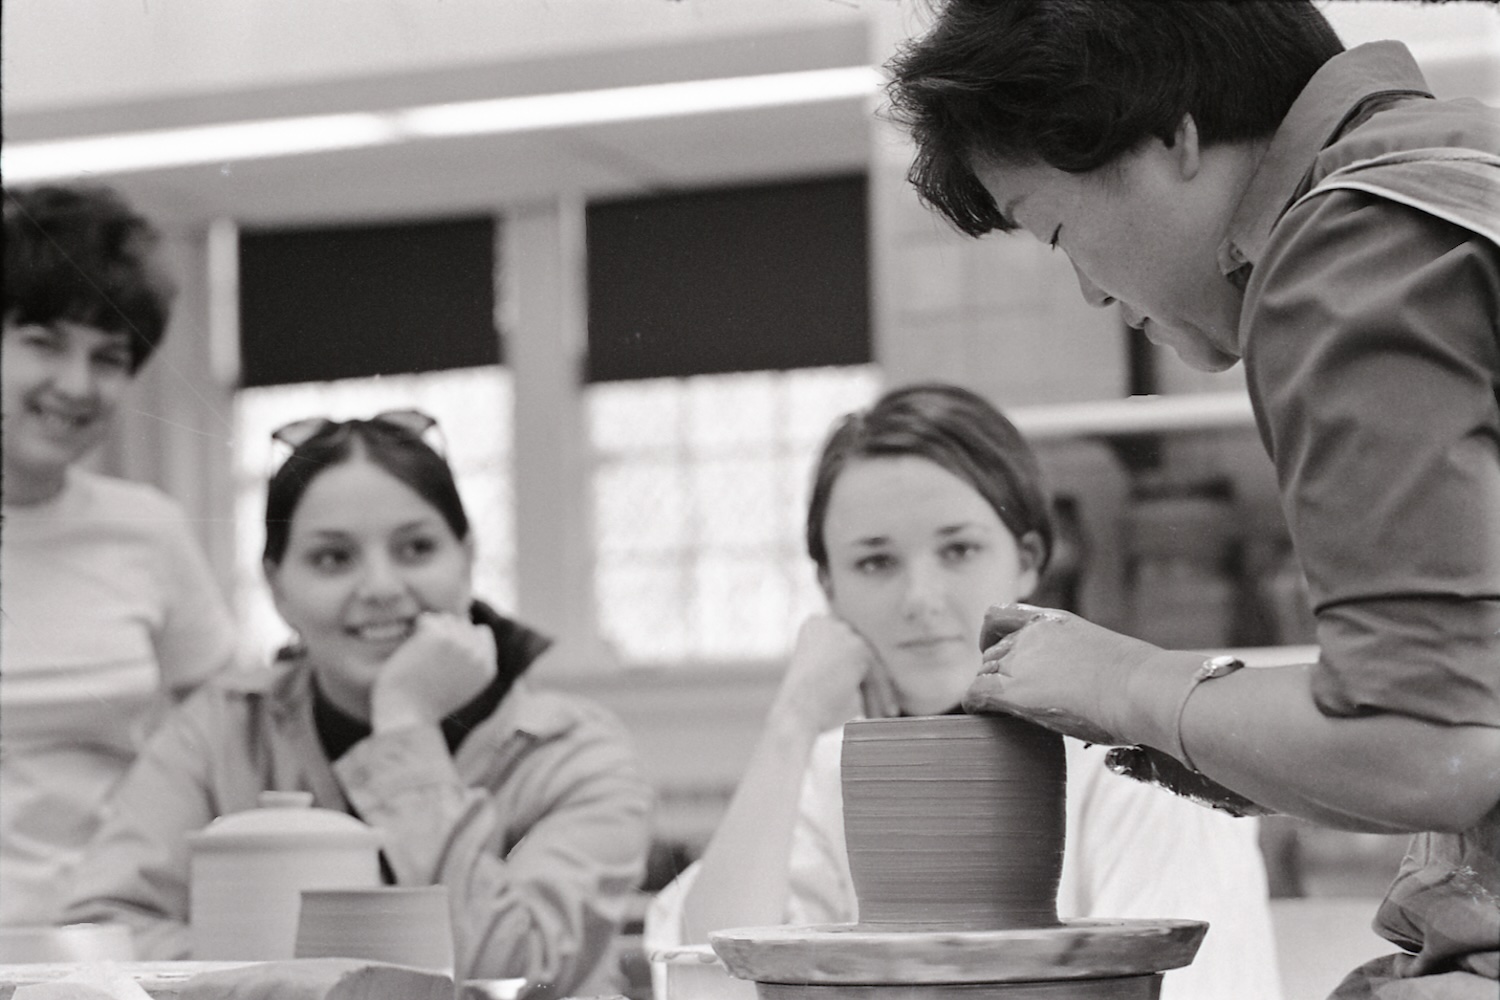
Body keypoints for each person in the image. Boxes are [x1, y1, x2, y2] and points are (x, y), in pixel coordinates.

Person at [886, 2, 1500, 995]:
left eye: (1057, 229)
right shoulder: (1455, 172)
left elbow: (1435, 752)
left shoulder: (1353, 245)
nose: (1088, 289)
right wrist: (1172, 735)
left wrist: (1123, 681)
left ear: (1174, 134)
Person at [645, 384, 1283, 1000]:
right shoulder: (825, 773)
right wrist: (791, 722)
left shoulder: (1140, 764)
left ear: (1028, 558)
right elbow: (708, 978)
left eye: (959, 550)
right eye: (875, 563)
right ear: (828, 587)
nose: (921, 601)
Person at [63, 411, 653, 995]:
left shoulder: (576, 755)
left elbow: (514, 969)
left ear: (467, 559)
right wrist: (312, 985)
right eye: (332, 558)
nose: (380, 588)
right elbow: (99, 934)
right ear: (277, 585)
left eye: (417, 548)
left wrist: (405, 728)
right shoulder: (220, 729)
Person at [1, 184, 239, 926]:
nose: (76, 386)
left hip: (110, 946)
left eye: (108, 357)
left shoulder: (148, 531)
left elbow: (225, 744)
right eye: (42, 342)